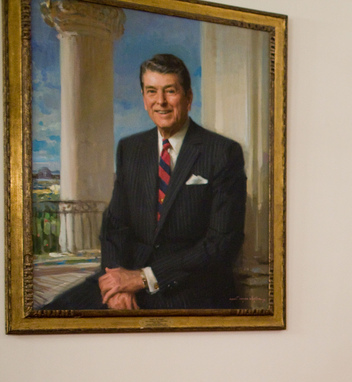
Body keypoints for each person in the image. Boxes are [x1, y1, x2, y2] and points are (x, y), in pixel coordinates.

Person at [44, 54, 247, 311]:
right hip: (127, 278)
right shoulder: (131, 148)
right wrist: (118, 281)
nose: (160, 101)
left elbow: (221, 243)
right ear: (143, 98)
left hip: (189, 285)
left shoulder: (222, 152)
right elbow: (115, 225)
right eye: (151, 91)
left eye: (170, 91)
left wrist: (142, 278)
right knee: (50, 314)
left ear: (188, 97)